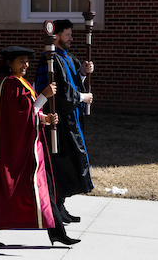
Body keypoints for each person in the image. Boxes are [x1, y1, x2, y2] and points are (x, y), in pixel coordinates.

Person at [0, 46, 80, 246]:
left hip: (29, 147)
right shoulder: (10, 84)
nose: (25, 65)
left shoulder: (19, 83)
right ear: (9, 63)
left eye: (26, 61)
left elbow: (29, 112)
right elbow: (19, 118)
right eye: (21, 61)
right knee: (8, 191)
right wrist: (44, 96)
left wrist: (44, 118)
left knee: (41, 188)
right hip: (15, 150)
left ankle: (56, 231)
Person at [35, 19, 94, 224]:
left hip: (71, 120)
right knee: (60, 163)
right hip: (58, 120)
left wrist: (83, 73)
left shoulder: (67, 57)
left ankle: (60, 206)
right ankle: (55, 208)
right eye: (67, 34)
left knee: (69, 163)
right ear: (57, 35)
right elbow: (60, 92)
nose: (71, 38)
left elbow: (74, 83)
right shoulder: (49, 59)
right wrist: (82, 98)